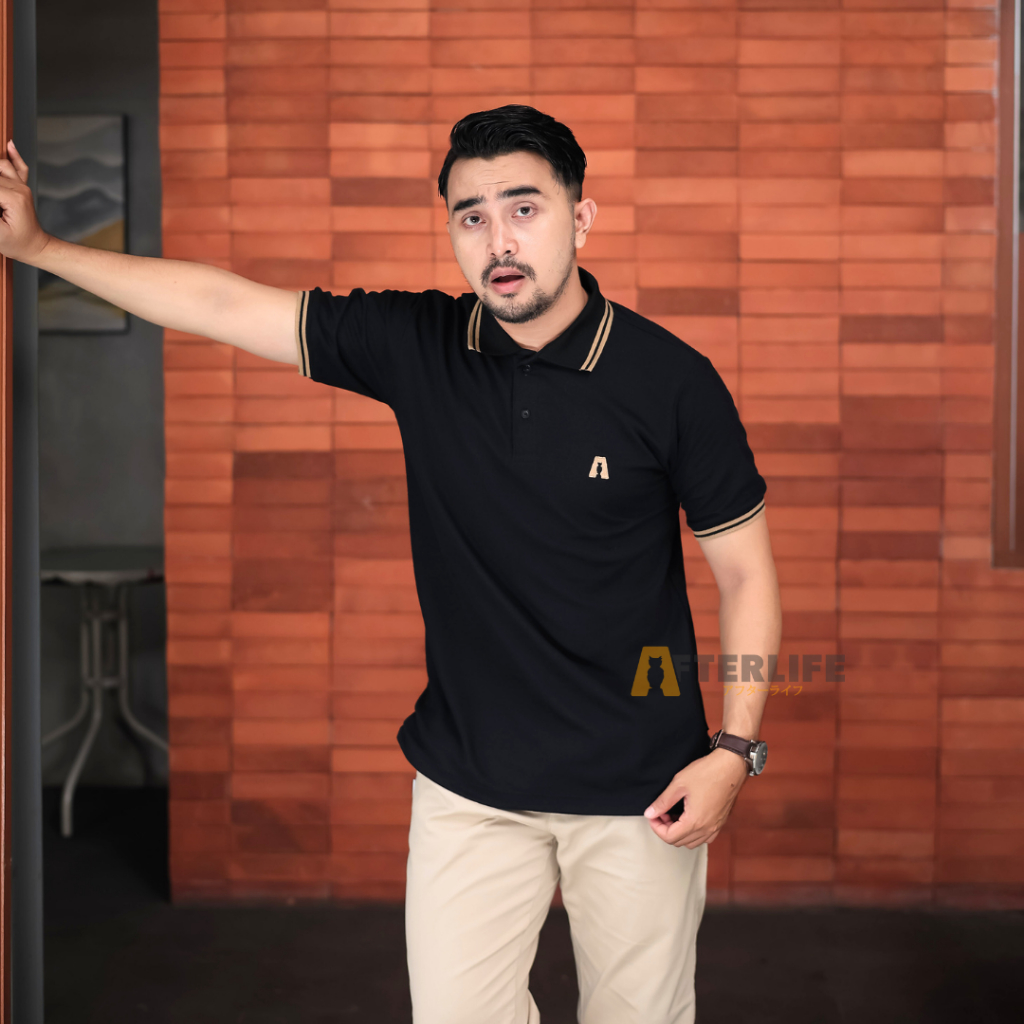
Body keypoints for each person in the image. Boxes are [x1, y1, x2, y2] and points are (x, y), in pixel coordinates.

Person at [0, 104, 782, 1024]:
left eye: (524, 209)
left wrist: (734, 752)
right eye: (471, 215)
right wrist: (40, 248)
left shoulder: (672, 381)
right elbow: (222, 304)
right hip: (468, 783)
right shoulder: (420, 345)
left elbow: (746, 575)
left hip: (642, 787)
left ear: (582, 218)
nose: (498, 240)